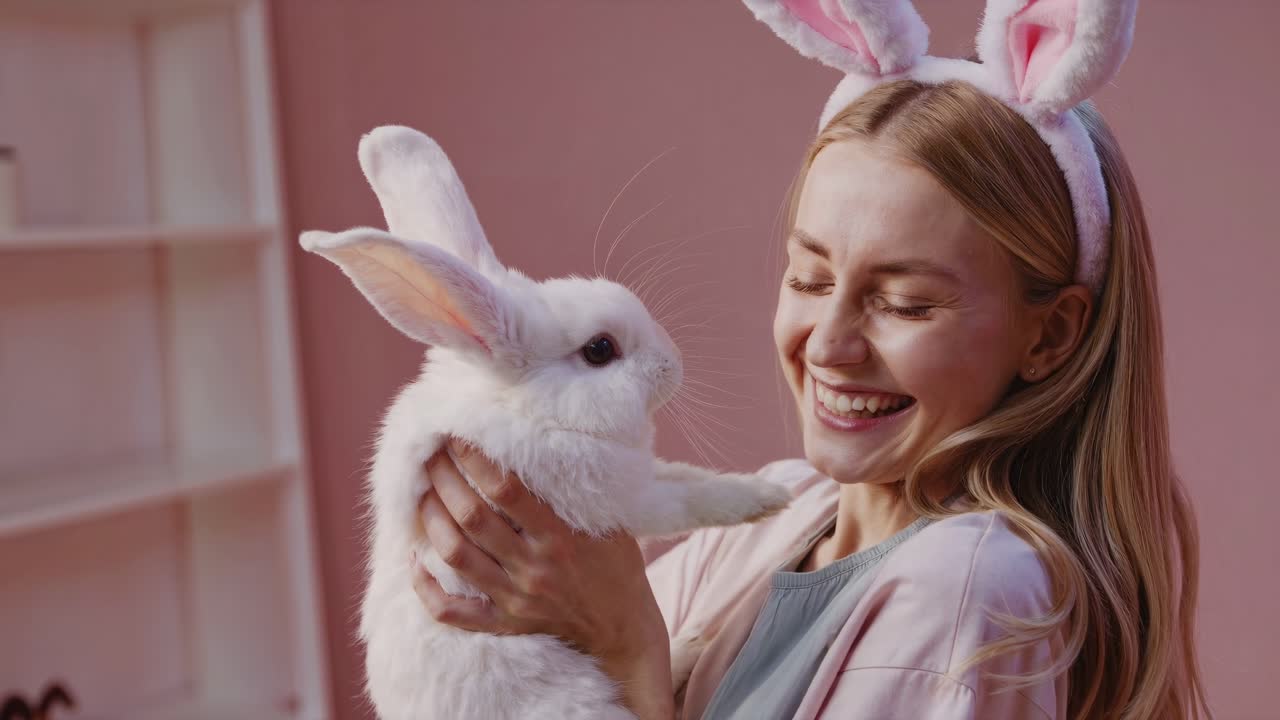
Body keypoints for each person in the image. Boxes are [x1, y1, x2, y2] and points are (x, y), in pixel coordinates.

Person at [405, 1, 1211, 718]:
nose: (828, 344)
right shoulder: (780, 514)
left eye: (903, 303)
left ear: (1051, 336)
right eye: (810, 277)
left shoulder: (966, 589)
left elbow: (612, 645)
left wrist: (629, 653)